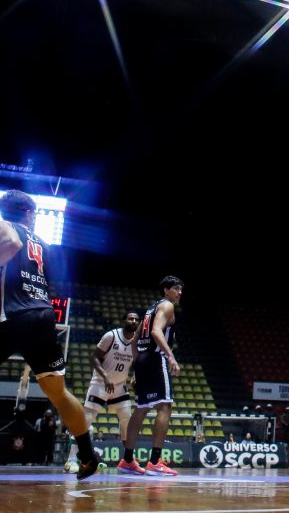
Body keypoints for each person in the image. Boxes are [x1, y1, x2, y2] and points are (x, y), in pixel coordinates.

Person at [0, 189, 100, 480]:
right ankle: (87, 455)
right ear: (29, 213)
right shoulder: (42, 242)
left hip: (11, 315)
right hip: (43, 316)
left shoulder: (4, 226)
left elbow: (11, 243)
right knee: (58, 392)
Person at [118, 275, 184, 476]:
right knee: (165, 406)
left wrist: (137, 364)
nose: (179, 292)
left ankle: (127, 460)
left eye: (181, 289)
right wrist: (170, 356)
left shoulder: (150, 310)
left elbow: (134, 340)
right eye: (176, 288)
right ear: (166, 290)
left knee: (141, 409)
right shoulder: (167, 306)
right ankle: (155, 462)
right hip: (156, 359)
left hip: (143, 361)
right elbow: (156, 332)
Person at [64, 310, 140, 473]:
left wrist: (135, 376)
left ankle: (128, 460)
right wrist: (105, 377)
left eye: (136, 319)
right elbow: (94, 357)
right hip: (100, 384)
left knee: (127, 421)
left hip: (119, 386)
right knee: (86, 421)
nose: (133, 321)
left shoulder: (137, 342)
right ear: (123, 321)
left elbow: (135, 363)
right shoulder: (111, 336)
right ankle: (71, 460)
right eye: (130, 319)